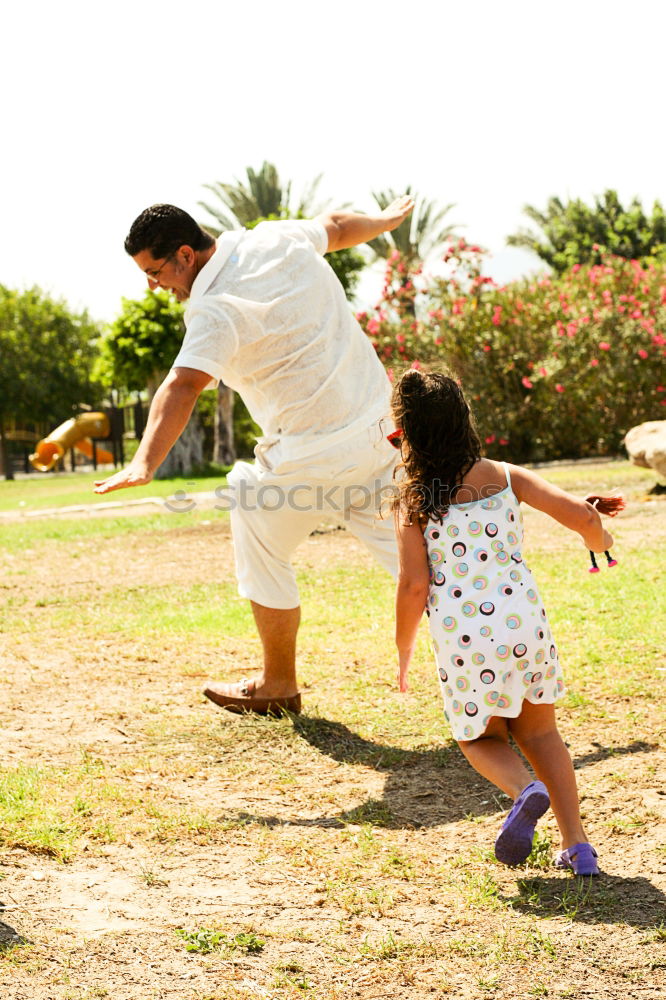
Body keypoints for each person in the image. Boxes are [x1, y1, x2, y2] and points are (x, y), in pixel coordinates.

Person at [94, 197, 416, 715]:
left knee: (250, 509)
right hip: (382, 436)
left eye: (155, 272)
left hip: (309, 459)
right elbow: (335, 225)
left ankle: (278, 685)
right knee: (426, 570)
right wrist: (384, 222)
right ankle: (509, 679)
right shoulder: (271, 237)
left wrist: (144, 463)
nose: (153, 285)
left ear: (184, 255)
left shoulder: (213, 307)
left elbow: (183, 385)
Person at [392, 369, 623, 876]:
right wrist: (601, 544)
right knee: (543, 734)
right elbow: (584, 519)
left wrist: (403, 650)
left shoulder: (413, 500)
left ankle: (525, 791)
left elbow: (413, 586)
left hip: (466, 639)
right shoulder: (505, 475)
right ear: (463, 419)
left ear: (407, 433)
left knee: (481, 739)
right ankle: (578, 846)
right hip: (525, 626)